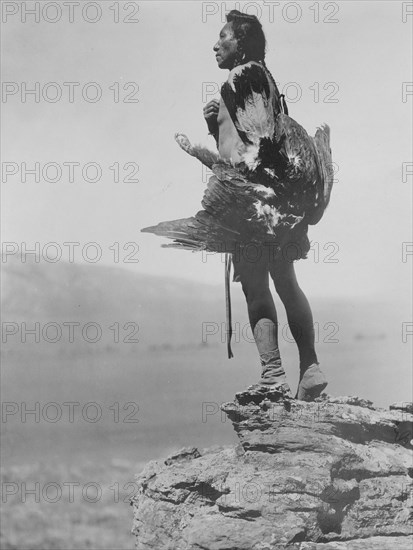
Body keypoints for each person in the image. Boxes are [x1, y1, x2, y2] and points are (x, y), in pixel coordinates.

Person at [203, 10, 328, 401]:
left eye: (223, 37)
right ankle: (310, 368)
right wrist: (215, 124)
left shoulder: (241, 76)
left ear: (241, 42)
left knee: (257, 291)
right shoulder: (261, 77)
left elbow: (255, 149)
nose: (215, 44)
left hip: (254, 204)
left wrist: (235, 197)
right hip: (277, 202)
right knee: (286, 282)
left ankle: (273, 376)